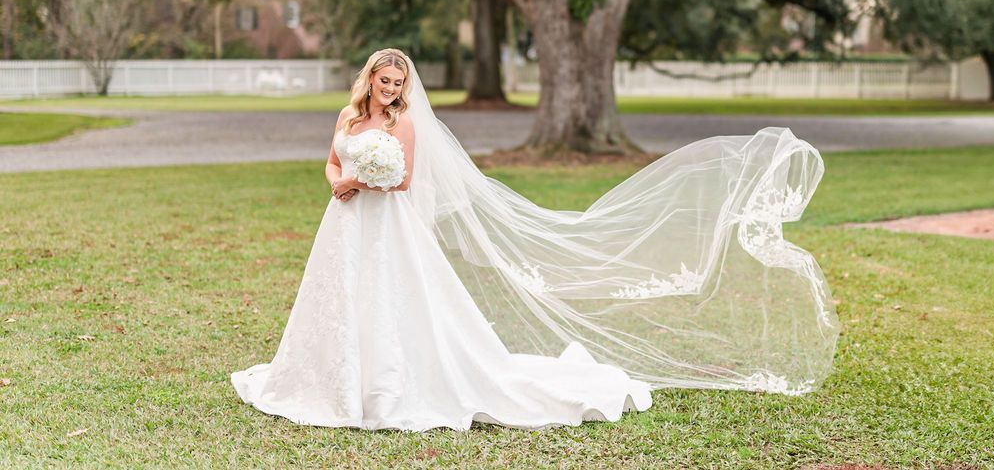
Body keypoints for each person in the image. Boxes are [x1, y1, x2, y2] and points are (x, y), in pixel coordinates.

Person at [231, 48, 839, 432]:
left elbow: (404, 178)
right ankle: (328, 378)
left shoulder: (405, 124)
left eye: (398, 83)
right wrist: (340, 180)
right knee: (340, 302)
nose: (390, 90)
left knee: (392, 302)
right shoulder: (347, 118)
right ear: (369, 79)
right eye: (384, 81)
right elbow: (329, 164)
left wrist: (361, 180)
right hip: (344, 223)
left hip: (385, 223)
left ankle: (389, 387)